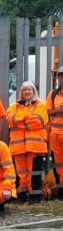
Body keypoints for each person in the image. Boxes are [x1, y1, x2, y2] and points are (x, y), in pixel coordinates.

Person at [6, 81, 48, 204]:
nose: (27, 92)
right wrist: (27, 117)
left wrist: (20, 121)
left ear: (34, 91)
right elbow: (10, 118)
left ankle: (35, 197)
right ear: (21, 92)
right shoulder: (14, 106)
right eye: (24, 90)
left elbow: (39, 121)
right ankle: (21, 196)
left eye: (29, 89)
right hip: (18, 147)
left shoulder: (41, 105)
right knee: (21, 173)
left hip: (35, 147)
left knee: (34, 173)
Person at [46, 66, 63, 198]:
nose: (62, 78)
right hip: (56, 133)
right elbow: (49, 111)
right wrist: (59, 110)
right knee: (58, 162)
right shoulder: (53, 94)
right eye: (60, 75)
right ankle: (60, 188)